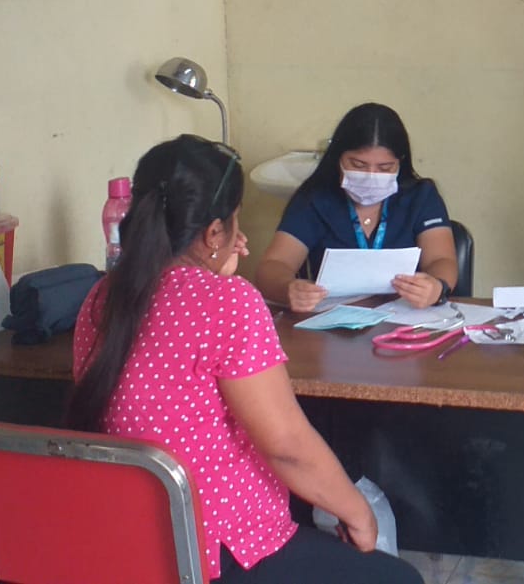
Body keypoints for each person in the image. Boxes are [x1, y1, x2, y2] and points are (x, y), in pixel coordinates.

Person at [66, 134, 422, 584]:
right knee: (400, 579)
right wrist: (358, 514)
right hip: (217, 550)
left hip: (131, 541)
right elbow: (287, 447)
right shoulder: (226, 300)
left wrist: (214, 266)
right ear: (214, 232)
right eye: (235, 221)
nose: (243, 237)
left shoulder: (101, 297)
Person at [256, 103, 458, 314]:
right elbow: (274, 264)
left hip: (405, 317)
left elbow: (441, 259)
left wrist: (437, 287)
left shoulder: (421, 196)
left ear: (400, 162)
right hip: (330, 320)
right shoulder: (315, 199)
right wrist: (288, 288)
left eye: (385, 168)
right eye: (358, 165)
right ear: (338, 158)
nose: (371, 175)